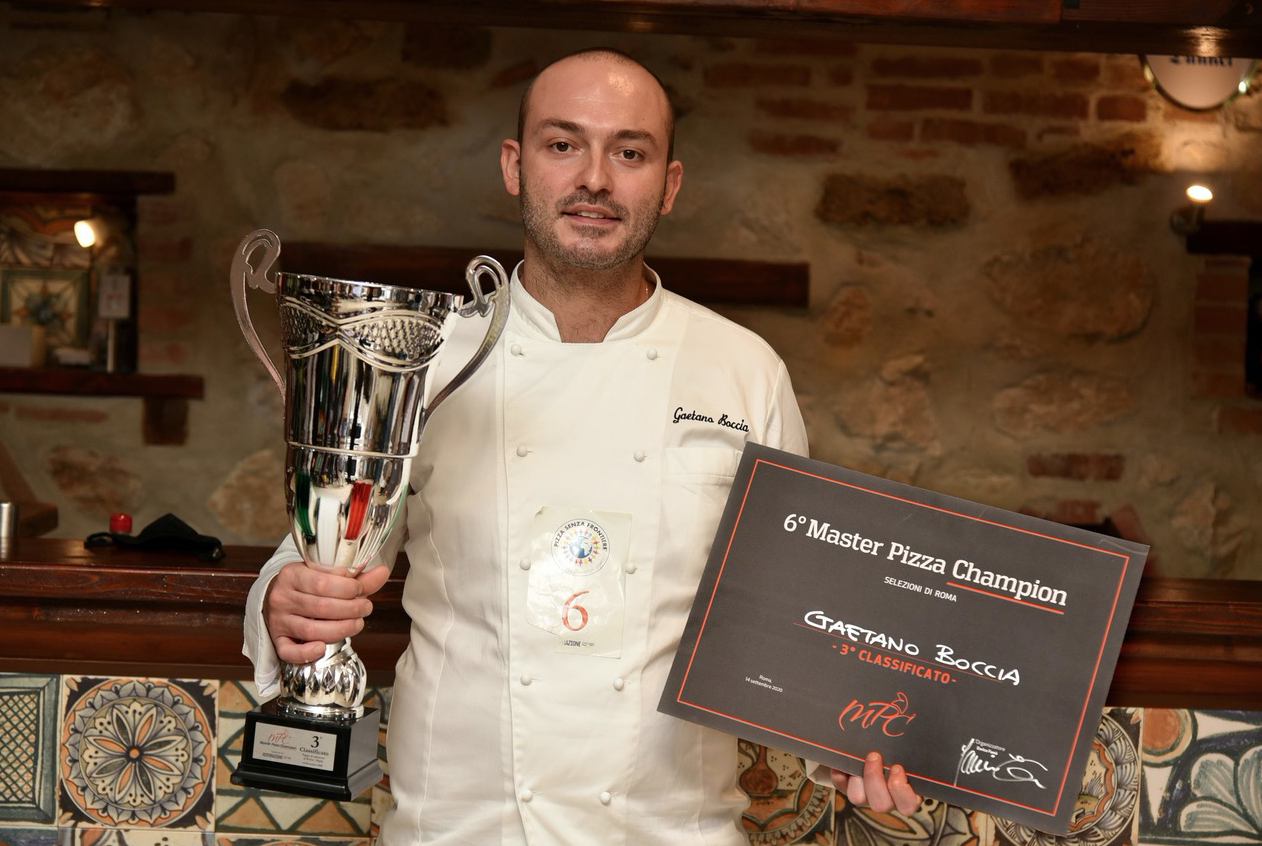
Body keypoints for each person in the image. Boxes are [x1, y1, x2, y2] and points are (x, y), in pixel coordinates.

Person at [243, 47, 920, 845]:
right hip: (459, 829)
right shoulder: (424, 358)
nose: (595, 178)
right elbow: (321, 550)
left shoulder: (745, 371)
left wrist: (848, 743)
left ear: (668, 183)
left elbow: (799, 613)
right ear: (515, 165)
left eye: (629, 152)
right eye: (563, 144)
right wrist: (287, 604)